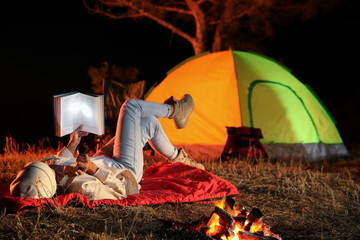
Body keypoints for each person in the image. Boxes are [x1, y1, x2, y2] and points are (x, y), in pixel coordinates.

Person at [10, 94, 205, 200]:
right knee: (131, 107)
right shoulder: (80, 187)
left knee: (149, 122)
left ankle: (182, 161)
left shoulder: (40, 171)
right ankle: (176, 110)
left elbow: (58, 159)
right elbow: (121, 190)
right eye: (49, 170)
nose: (48, 166)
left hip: (103, 157)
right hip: (123, 169)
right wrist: (93, 169)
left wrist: (74, 142)